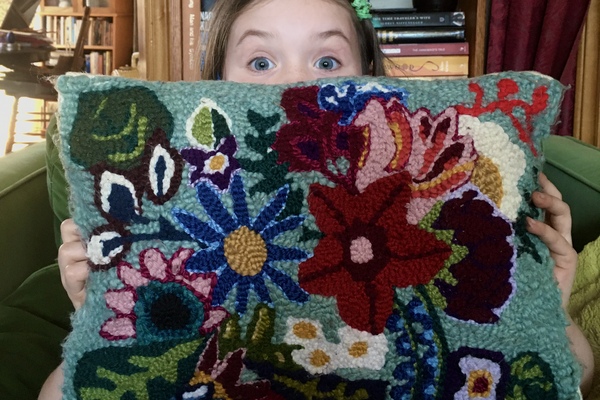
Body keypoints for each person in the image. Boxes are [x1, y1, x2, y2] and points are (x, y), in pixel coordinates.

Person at [39, 0, 594, 398]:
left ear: (374, 85)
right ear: (209, 87)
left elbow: (570, 375)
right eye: (260, 63)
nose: (296, 85)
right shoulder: (175, 201)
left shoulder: (415, 192)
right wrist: (93, 310)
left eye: (328, 63)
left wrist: (550, 304)